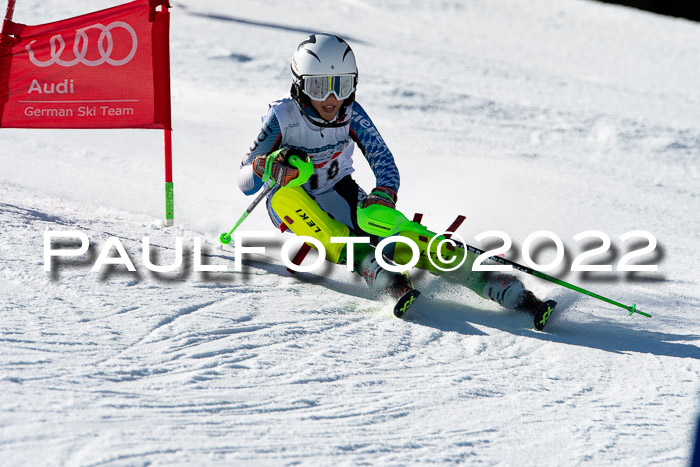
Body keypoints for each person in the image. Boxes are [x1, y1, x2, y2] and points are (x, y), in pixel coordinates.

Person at [238, 33, 554, 325]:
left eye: (343, 85)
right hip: (291, 198)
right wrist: (263, 166)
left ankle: (495, 284)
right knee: (312, 218)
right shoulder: (281, 117)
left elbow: (384, 162)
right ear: (301, 86)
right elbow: (244, 182)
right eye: (321, 87)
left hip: (341, 190)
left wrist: (384, 193)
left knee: (394, 229)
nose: (332, 99)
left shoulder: (352, 114)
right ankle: (377, 271)